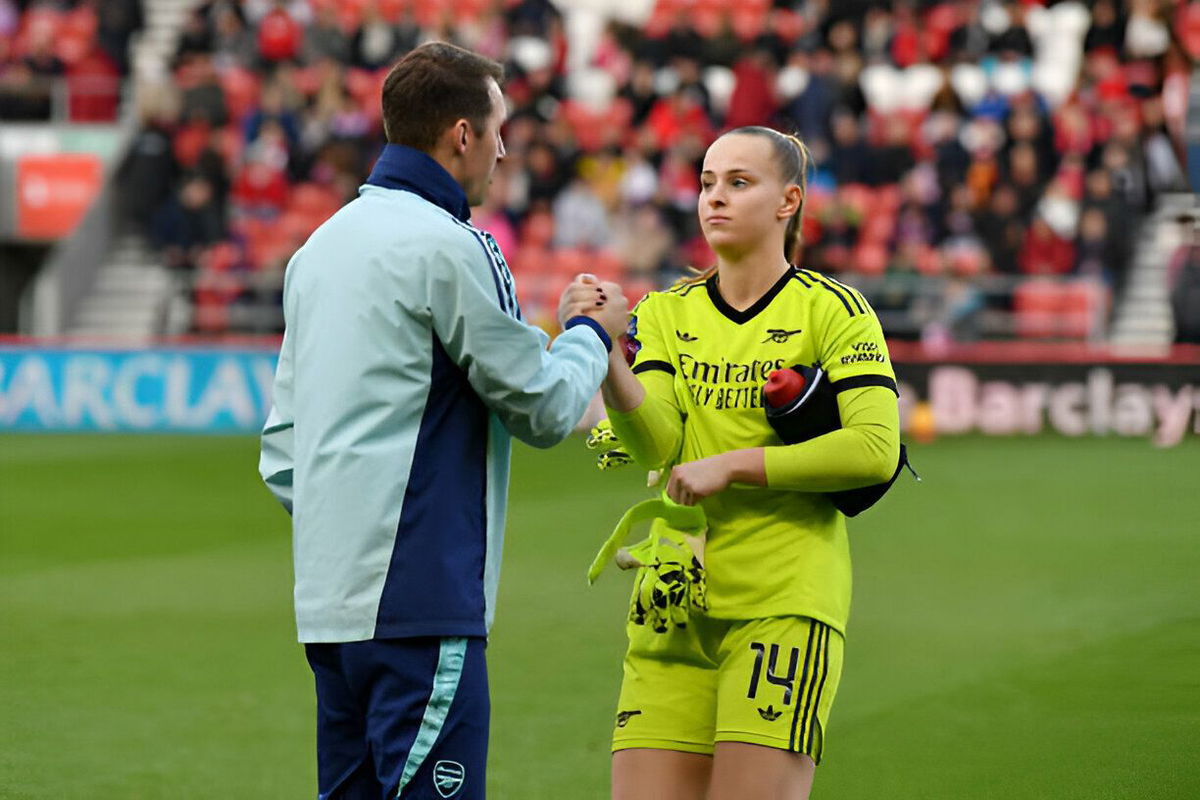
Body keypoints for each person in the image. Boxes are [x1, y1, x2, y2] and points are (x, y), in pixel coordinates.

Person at [258, 42, 627, 800]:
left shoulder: (316, 250)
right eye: (498, 130)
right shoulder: (451, 246)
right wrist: (590, 333)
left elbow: (283, 455)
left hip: (328, 606)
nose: (501, 150)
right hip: (419, 601)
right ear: (461, 134)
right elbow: (546, 406)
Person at [594, 126, 900, 800]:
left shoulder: (833, 310)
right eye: (707, 183)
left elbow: (875, 451)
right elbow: (655, 443)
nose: (715, 199)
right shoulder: (669, 312)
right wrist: (609, 352)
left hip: (782, 604)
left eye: (738, 182)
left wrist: (734, 464)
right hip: (674, 600)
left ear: (788, 201)